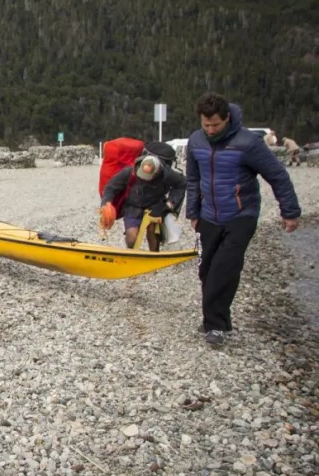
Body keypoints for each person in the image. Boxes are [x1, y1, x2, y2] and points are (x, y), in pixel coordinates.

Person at [185, 93, 301, 346]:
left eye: (215, 124)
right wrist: (192, 212)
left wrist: (290, 212)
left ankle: (214, 326)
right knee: (207, 271)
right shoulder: (196, 141)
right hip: (209, 215)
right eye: (206, 125)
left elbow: (278, 176)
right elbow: (193, 179)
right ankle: (221, 321)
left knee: (224, 267)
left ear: (227, 118)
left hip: (241, 214)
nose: (211, 130)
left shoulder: (248, 143)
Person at [99, 142, 185, 252]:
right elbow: (110, 187)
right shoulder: (129, 171)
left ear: (158, 171)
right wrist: (106, 203)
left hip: (155, 206)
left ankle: (154, 258)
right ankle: (131, 254)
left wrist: (168, 205)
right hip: (132, 207)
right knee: (131, 238)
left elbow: (181, 184)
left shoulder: (167, 174)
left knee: (152, 233)